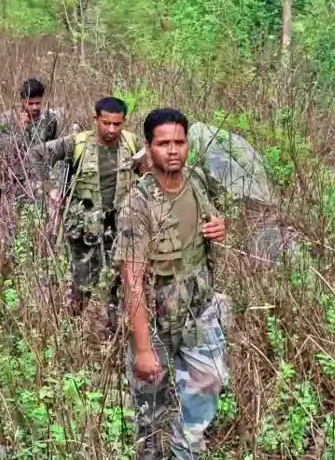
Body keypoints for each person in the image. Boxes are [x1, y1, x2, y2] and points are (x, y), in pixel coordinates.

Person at [114, 107, 229, 460]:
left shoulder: (196, 180)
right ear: (149, 148)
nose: (173, 150)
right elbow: (132, 280)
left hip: (198, 308)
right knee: (150, 409)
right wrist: (144, 349)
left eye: (180, 142)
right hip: (155, 315)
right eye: (164, 143)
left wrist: (219, 227)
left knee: (209, 381)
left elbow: (213, 218)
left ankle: (186, 449)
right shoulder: (138, 204)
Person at [27, 97, 147, 323]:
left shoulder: (131, 143)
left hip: (120, 222)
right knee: (83, 280)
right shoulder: (77, 143)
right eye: (106, 123)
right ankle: (69, 325)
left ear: (124, 122)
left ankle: (115, 327)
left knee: (119, 279)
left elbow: (145, 174)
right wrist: (50, 189)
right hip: (85, 224)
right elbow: (37, 154)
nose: (111, 129)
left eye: (117, 124)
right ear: (96, 120)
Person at [0, 77, 63, 255]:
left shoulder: (49, 120)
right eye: (31, 103)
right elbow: (0, 151)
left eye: (38, 103)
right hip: (14, 182)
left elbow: (53, 149)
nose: (35, 107)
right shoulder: (7, 120)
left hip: (40, 181)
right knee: (14, 226)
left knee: (44, 224)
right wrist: (19, 130)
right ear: (22, 101)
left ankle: (44, 255)